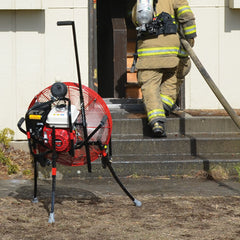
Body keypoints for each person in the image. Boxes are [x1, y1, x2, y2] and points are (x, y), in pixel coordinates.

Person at [132, 0, 197, 137]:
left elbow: (135, 20)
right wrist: (190, 38)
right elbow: (187, 17)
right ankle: (165, 104)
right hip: (171, 50)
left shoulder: (142, 2)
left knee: (150, 86)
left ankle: (157, 121)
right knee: (174, 75)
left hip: (148, 51)